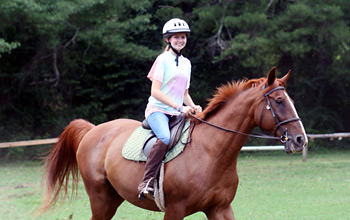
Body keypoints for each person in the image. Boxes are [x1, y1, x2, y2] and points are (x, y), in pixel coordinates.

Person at [138, 18, 202, 200]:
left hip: (177, 112)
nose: (180, 40)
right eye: (176, 37)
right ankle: (147, 182)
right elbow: (155, 91)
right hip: (157, 110)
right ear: (168, 39)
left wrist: (193, 106)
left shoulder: (186, 63)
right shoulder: (162, 60)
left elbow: (184, 93)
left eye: (183, 37)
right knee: (165, 137)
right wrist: (179, 107)